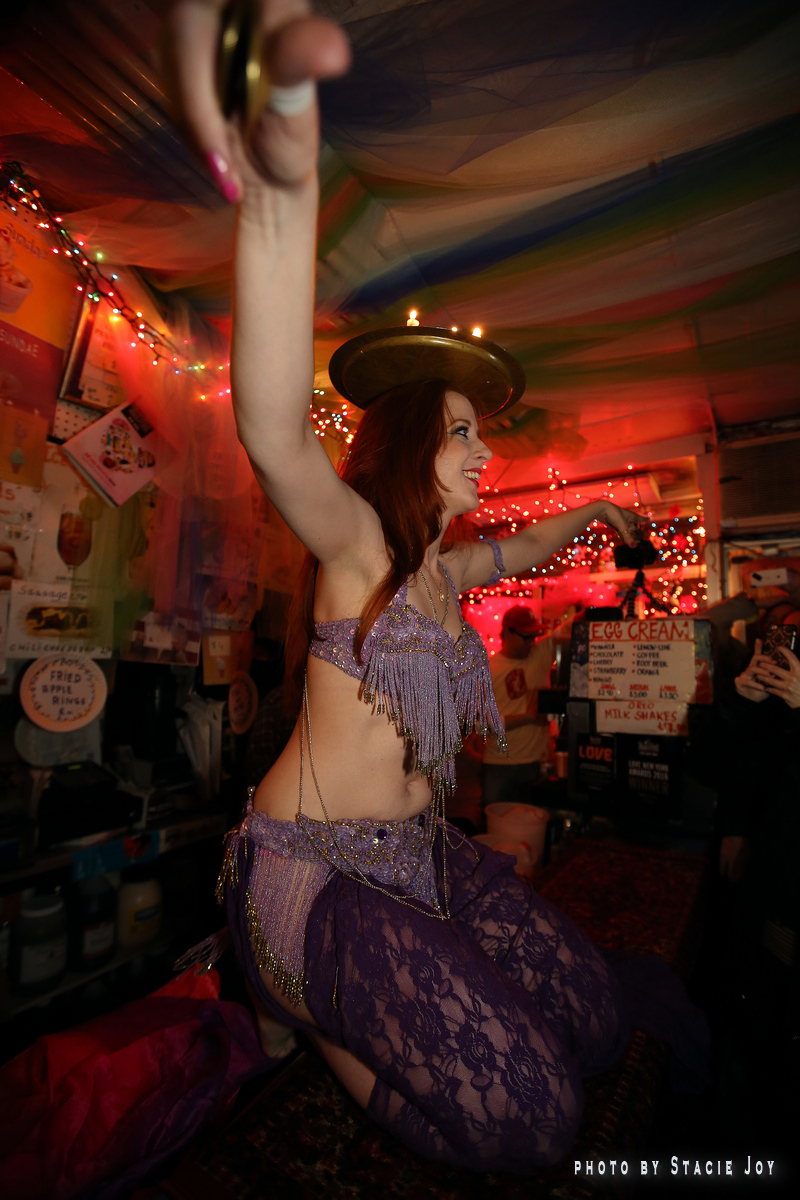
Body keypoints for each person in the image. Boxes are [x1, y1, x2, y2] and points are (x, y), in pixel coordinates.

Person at [166, 1, 706, 1173]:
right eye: (460, 434)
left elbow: (514, 551)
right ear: (409, 438)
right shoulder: (354, 543)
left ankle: (343, 1008)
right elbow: (268, 422)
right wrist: (284, 181)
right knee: (534, 1122)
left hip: (421, 856)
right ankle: (298, 994)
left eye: (481, 436)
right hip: (312, 876)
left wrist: (601, 512)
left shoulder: (444, 570)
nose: (481, 455)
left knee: (601, 1019)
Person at [482, 605, 553, 808]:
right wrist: (529, 718)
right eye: (526, 637)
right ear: (507, 633)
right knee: (498, 828)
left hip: (535, 762)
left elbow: (569, 628)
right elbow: (480, 725)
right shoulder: (488, 670)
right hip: (499, 764)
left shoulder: (539, 655)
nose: (531, 643)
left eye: (534, 637)